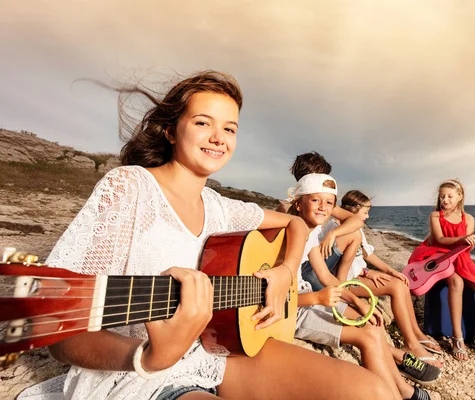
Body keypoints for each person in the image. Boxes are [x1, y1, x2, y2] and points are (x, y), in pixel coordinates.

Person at [34, 71, 396, 400]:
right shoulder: (130, 188)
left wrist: (285, 271)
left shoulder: (221, 207)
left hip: (215, 351)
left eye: (229, 128)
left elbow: (295, 225)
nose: (218, 138)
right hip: (135, 374)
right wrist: (148, 356)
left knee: (371, 391)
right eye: (203, 122)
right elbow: (59, 327)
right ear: (172, 130)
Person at [289, 173, 438, 400]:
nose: (323, 207)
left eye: (329, 202)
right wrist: (318, 299)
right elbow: (279, 296)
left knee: (373, 327)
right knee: (368, 337)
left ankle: (405, 391)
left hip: (310, 297)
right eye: (315, 200)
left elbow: (328, 279)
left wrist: (359, 302)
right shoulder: (289, 234)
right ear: (298, 203)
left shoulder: (309, 238)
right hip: (296, 310)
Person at [333, 190, 444, 368]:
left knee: (401, 282)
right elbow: (343, 265)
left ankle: (417, 334)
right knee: (397, 287)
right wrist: (367, 273)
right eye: (365, 212)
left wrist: (392, 271)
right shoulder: (340, 229)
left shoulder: (356, 228)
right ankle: (411, 344)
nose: (368, 217)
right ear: (352, 210)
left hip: (358, 275)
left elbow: (368, 254)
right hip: (347, 281)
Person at [408, 179, 475, 362]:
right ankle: (458, 337)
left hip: (460, 258)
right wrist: (465, 238)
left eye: (449, 196)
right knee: (457, 282)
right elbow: (440, 239)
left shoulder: (469, 219)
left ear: (460, 197)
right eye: (442, 196)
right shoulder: (435, 216)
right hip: (438, 255)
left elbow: (467, 249)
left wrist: (474, 241)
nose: (445, 200)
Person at [277, 151, 365, 284]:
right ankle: (340, 284)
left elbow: (356, 221)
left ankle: (341, 283)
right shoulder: (289, 207)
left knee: (354, 233)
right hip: (300, 269)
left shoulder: (318, 202)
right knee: (355, 235)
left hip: (314, 259)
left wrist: (333, 233)